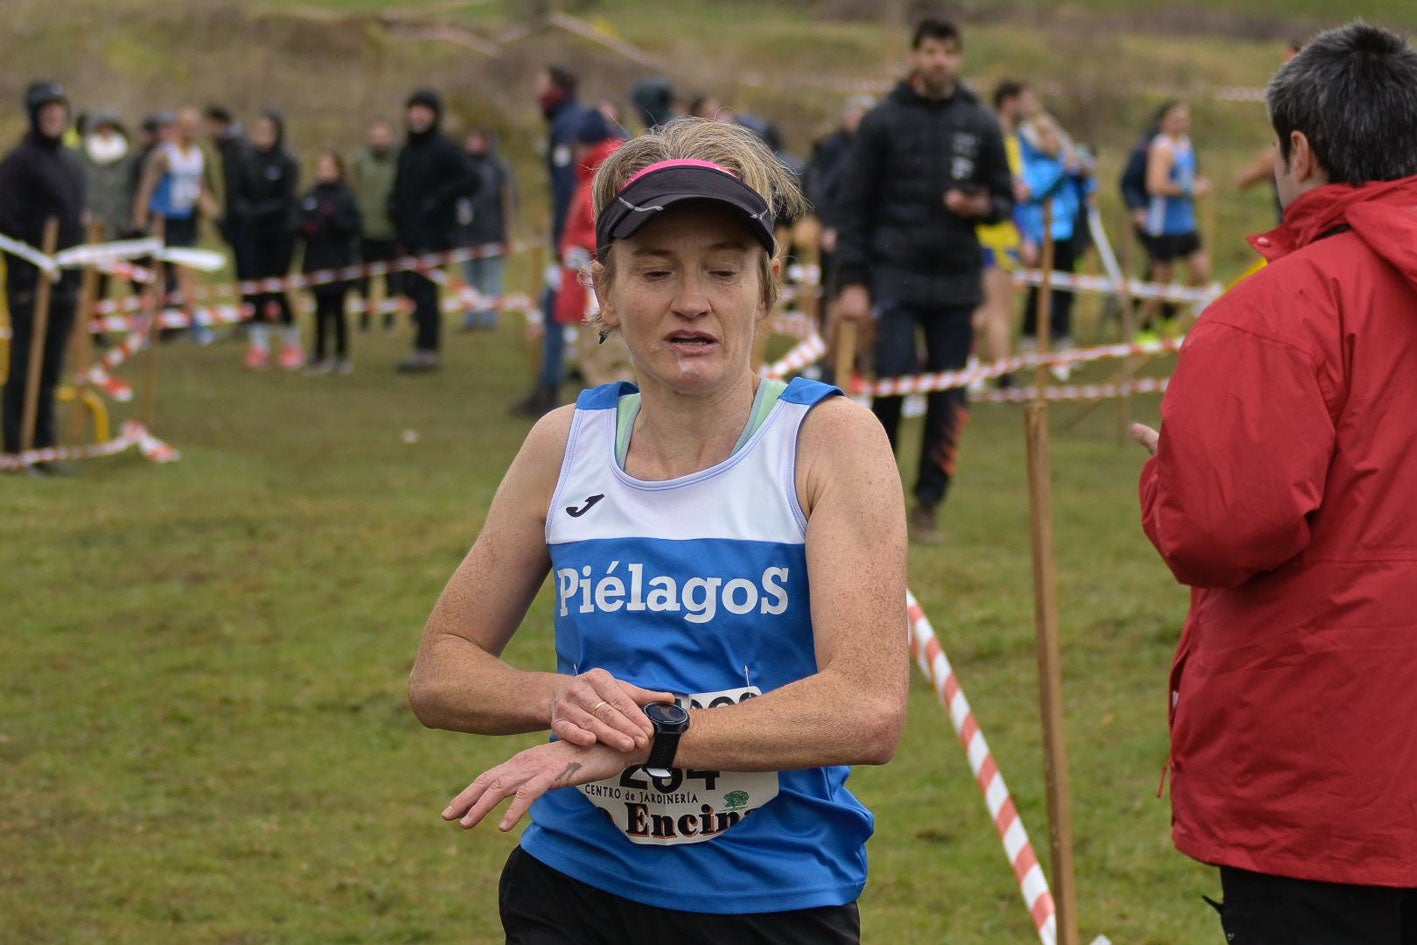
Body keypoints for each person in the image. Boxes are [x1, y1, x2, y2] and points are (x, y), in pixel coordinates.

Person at [408, 116, 908, 944]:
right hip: (572, 887)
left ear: (767, 287)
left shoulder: (828, 440)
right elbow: (439, 672)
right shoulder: (563, 442)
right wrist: (560, 698)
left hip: (769, 902)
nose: (691, 301)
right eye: (654, 270)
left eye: (722, 269)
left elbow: (866, 706)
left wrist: (653, 738)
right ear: (602, 289)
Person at [1131, 22, 1417, 942]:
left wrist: (1164, 481)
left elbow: (1222, 527)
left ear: (1298, 150)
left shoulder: (1280, 308)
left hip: (1323, 784)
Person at [833, 17, 1014, 545]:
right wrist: (853, 280)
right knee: (889, 382)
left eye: (948, 52)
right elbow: (853, 205)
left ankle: (930, 501)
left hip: (956, 280)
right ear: (915, 55)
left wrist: (982, 205)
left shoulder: (979, 122)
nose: (938, 60)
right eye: (930, 50)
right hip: (893, 275)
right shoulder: (882, 121)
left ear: (958, 58)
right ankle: (877, 500)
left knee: (948, 394)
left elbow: (1004, 196)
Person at [0, 81, 85, 470]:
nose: (54, 116)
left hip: (65, 278)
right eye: (46, 110)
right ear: (35, 115)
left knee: (51, 365)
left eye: (59, 109)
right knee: (25, 364)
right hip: (31, 281)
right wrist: (21, 279)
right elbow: (9, 224)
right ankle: (18, 446)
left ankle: (44, 444)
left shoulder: (69, 162)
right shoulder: (19, 163)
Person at [512, 66, 590, 414]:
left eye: (541, 85)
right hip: (577, 239)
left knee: (558, 310)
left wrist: (563, 241)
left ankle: (550, 386)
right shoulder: (571, 121)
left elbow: (566, 191)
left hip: (574, 242)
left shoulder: (565, 126)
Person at [387, 88, 478, 373]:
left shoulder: (444, 148)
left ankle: (428, 350)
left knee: (427, 291)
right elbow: (401, 185)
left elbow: (470, 180)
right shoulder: (407, 150)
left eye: (424, 109)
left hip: (435, 234)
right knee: (411, 288)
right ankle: (420, 343)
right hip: (408, 233)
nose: (418, 114)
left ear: (434, 114)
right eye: (414, 108)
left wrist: (439, 199)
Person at [551, 109, 629, 388]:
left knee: (605, 359)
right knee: (593, 356)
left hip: (598, 286)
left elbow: (613, 234)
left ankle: (616, 421)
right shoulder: (594, 176)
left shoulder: (605, 179)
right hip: (587, 281)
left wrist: (578, 247)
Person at [133, 106, 219, 341]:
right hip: (164, 220)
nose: (190, 131)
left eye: (194, 126)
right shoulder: (164, 155)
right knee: (157, 277)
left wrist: (216, 214)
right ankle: (146, 325)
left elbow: (201, 189)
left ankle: (195, 323)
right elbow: (146, 186)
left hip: (186, 221)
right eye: (186, 126)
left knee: (187, 273)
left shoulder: (197, 155)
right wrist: (141, 219)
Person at [1137, 100, 1211, 340]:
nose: (1182, 123)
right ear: (1164, 121)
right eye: (1176, 118)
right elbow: (1155, 184)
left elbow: (1186, 178)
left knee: (1201, 273)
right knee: (1161, 282)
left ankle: (1171, 312)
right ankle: (1144, 325)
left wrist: (1197, 185)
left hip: (1185, 221)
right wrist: (1189, 190)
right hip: (1164, 225)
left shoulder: (1186, 145)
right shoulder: (1162, 147)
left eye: (1184, 118)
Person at [972, 80, 1026, 383]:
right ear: (1008, 102)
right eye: (1024, 100)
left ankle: (961, 361)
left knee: (989, 309)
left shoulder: (1015, 141)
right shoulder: (992, 139)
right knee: (997, 308)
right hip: (991, 237)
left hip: (1009, 233)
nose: (1030, 107)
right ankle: (1004, 374)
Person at [240, 110, 301, 371]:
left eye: (268, 130)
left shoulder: (287, 162)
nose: (262, 135)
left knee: (277, 288)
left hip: (281, 235)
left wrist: (262, 211)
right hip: (254, 234)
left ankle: (291, 344)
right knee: (256, 291)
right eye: (259, 129)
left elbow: (287, 200)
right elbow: (238, 193)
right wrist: (246, 212)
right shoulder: (247, 160)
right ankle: (259, 346)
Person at [296, 150, 360, 376]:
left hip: (338, 261)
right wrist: (305, 227)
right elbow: (299, 222)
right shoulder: (310, 195)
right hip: (315, 259)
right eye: (321, 167)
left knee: (338, 309)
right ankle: (318, 354)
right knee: (320, 311)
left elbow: (353, 227)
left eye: (329, 167)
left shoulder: (346, 196)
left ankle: (342, 355)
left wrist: (336, 221)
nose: (325, 172)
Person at [456, 127, 518, 332]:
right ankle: (471, 317)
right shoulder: (461, 168)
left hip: (492, 233)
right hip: (467, 234)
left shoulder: (499, 168)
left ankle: (489, 317)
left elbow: (509, 202)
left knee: (491, 277)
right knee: (469, 279)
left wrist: (508, 233)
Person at [203, 104, 256, 323]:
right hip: (233, 218)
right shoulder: (223, 148)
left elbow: (237, 187)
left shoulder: (237, 148)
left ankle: (252, 316)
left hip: (243, 221)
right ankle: (248, 314)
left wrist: (234, 216)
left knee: (248, 269)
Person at [350, 119, 400, 332]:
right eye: (375, 136)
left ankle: (389, 319)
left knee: (392, 279)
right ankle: (364, 319)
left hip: (390, 230)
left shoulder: (397, 162)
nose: (378, 140)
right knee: (364, 280)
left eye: (383, 136)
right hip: (365, 230)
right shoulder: (361, 162)